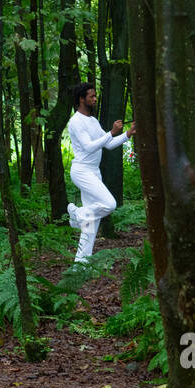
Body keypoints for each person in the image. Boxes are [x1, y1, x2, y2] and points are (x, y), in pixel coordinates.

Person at [66, 83, 135, 263]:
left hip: (94, 172)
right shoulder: (75, 122)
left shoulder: (93, 121)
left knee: (91, 224)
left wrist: (128, 133)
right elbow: (89, 147)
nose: (95, 99)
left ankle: (81, 265)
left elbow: (108, 144)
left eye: (95, 96)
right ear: (82, 99)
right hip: (82, 171)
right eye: (92, 96)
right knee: (109, 204)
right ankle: (76, 215)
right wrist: (111, 132)